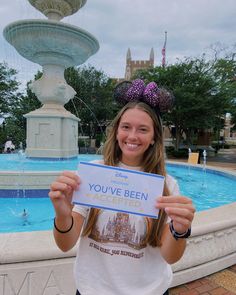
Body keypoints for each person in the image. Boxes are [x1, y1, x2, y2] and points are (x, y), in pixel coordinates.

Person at [49, 79, 195, 295]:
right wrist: (62, 214)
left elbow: (170, 256)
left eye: (143, 129)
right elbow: (65, 244)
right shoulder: (92, 175)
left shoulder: (167, 185)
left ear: (154, 137)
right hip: (93, 289)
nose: (132, 136)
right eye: (126, 127)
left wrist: (180, 230)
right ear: (116, 131)